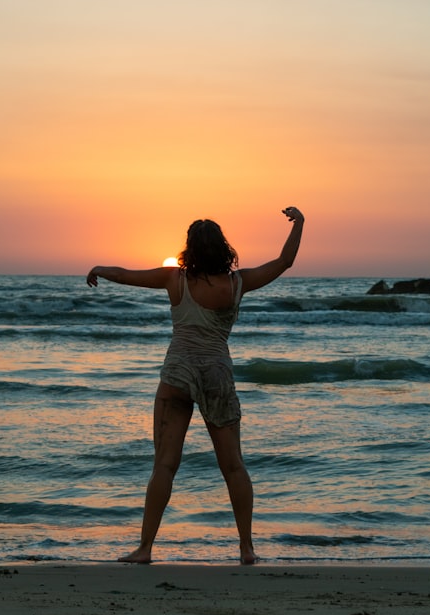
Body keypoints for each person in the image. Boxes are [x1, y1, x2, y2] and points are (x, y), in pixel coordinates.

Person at [86, 206, 305, 564]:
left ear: (190, 248)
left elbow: (127, 275)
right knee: (233, 466)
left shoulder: (175, 280)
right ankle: (247, 548)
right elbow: (284, 262)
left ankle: (144, 549)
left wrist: (99, 270)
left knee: (165, 466)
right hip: (217, 375)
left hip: (177, 375)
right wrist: (300, 224)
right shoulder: (238, 283)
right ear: (223, 247)